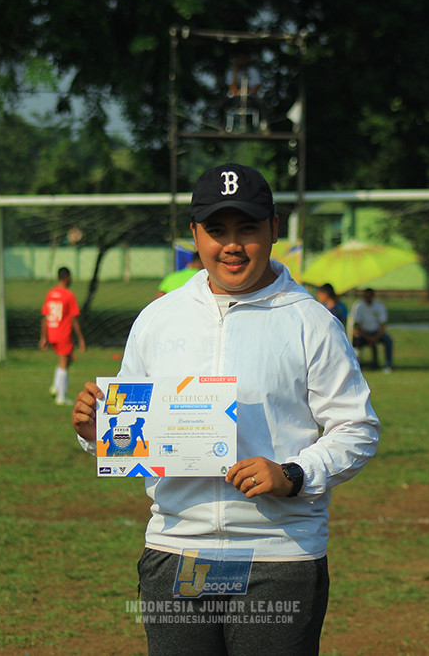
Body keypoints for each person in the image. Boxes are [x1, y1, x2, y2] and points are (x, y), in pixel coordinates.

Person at [71, 163, 380, 653]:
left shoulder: (311, 322)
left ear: (274, 229)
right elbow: (128, 436)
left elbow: (357, 428)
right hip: (177, 551)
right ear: (194, 233)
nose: (231, 245)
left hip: (278, 558)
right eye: (216, 230)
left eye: (248, 229)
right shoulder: (159, 318)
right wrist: (96, 429)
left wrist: (294, 472)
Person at [39, 266, 86, 406]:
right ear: (67, 278)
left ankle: (55, 386)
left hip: (52, 330)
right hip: (63, 333)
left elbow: (45, 316)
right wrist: (81, 339)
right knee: (64, 363)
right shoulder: (69, 296)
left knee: (67, 359)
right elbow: (73, 319)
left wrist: (44, 337)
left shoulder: (50, 293)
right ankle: (61, 396)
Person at [350, 288, 393, 373]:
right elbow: (357, 324)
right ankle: (356, 364)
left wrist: (376, 337)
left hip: (376, 332)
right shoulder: (358, 306)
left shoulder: (379, 306)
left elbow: (382, 324)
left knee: (388, 340)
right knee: (354, 341)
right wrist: (367, 337)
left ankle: (388, 364)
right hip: (363, 333)